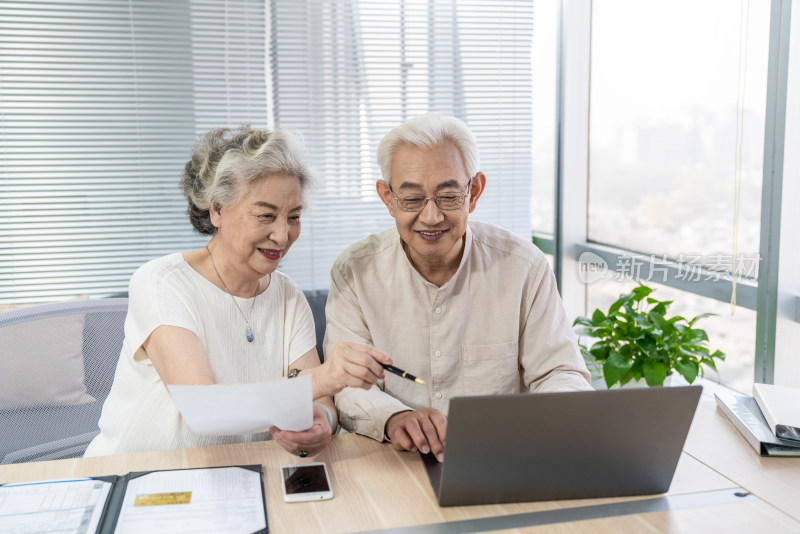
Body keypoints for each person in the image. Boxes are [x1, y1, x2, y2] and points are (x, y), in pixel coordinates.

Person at [85, 125, 391, 458]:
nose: (282, 235)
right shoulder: (162, 282)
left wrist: (323, 421)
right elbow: (202, 409)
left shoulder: (288, 297)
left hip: (240, 476)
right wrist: (323, 379)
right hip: (138, 478)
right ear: (217, 209)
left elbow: (317, 399)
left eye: (294, 217)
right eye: (265, 215)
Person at [325, 113, 592, 462]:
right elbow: (345, 383)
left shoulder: (523, 266)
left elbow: (562, 372)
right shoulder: (355, 270)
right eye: (411, 199)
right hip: (394, 460)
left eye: (448, 196)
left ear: (474, 191)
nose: (432, 217)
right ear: (387, 198)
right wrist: (393, 418)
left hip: (502, 457)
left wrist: (547, 417)